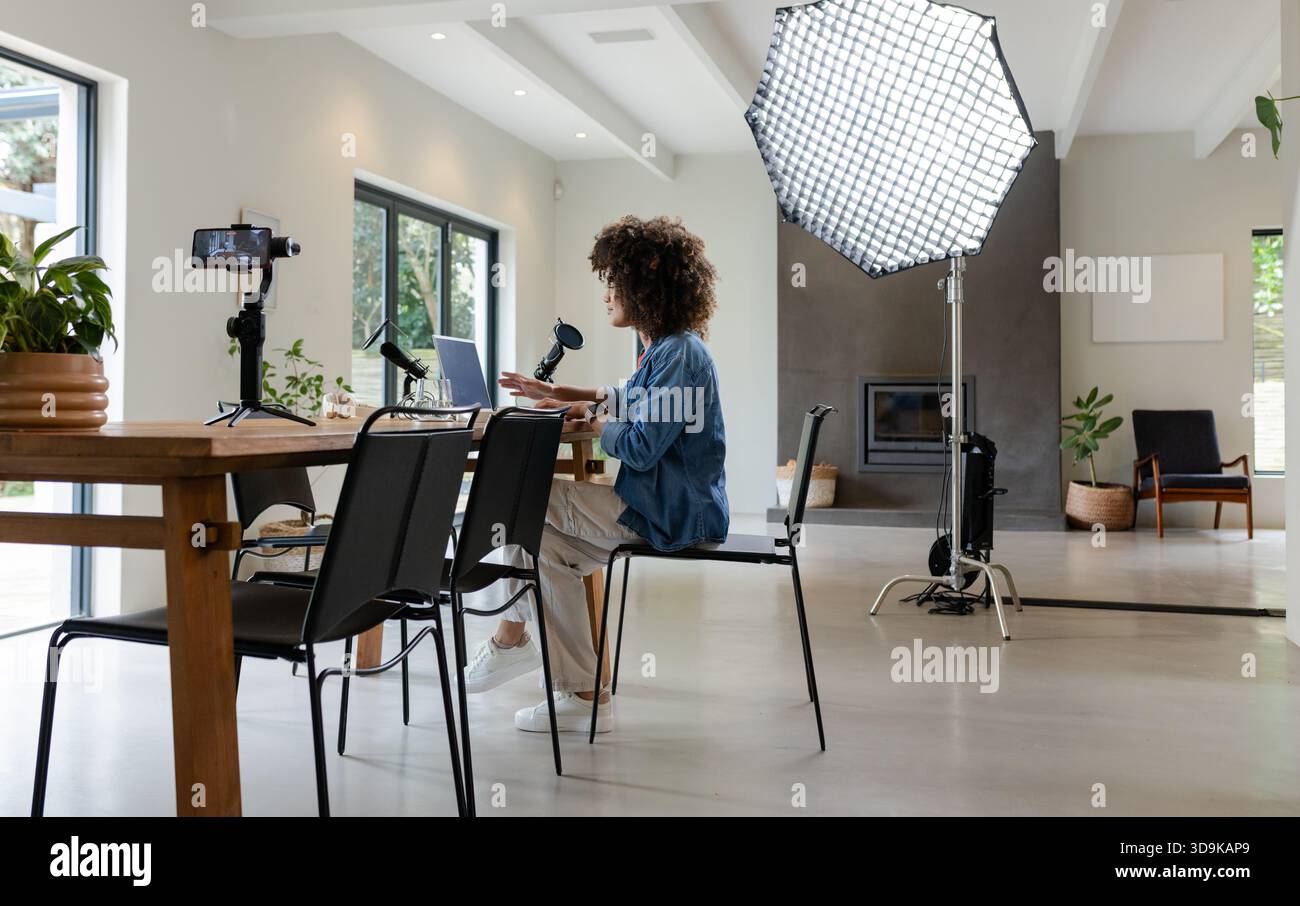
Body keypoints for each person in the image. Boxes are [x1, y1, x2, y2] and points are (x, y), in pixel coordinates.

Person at [464, 214, 728, 733]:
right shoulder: (669, 348)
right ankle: (583, 695)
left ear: (643, 286)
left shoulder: (681, 354)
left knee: (518, 497)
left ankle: (512, 641)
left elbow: (642, 446)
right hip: (662, 504)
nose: (607, 294)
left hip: (674, 513)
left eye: (614, 283)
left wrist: (594, 419)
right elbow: (630, 396)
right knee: (541, 546)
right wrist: (566, 397)